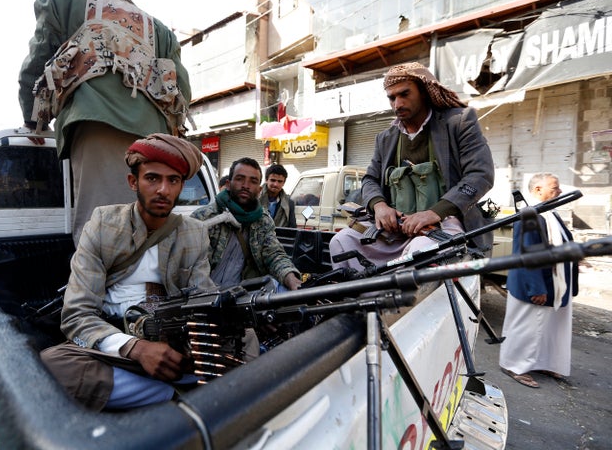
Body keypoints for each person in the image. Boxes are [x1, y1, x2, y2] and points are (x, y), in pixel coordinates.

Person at [40, 134, 224, 410]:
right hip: (114, 343)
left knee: (242, 337)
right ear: (133, 182)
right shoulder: (103, 223)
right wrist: (136, 349)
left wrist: (198, 337)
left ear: (181, 186)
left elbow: (203, 298)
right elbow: (77, 315)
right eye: (152, 178)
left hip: (172, 340)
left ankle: (165, 386)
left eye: (173, 180)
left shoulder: (194, 233)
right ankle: (169, 394)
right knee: (52, 368)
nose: (163, 189)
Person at [18, 0, 192, 245]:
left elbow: (39, 57)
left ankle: (96, 286)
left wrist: (33, 121)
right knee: (146, 231)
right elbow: (183, 90)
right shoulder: (160, 31)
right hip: (155, 139)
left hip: (96, 122)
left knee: (100, 231)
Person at [330, 62, 495, 270]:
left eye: (404, 94)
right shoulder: (386, 138)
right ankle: (361, 301)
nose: (397, 104)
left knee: (420, 252)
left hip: (443, 226)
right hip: (395, 231)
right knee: (341, 242)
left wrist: (434, 213)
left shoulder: (459, 122)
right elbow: (370, 179)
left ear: (424, 92)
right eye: (392, 97)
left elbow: (480, 175)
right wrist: (379, 206)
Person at [499, 173, 578, 388]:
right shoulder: (530, 215)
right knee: (526, 327)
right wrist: (536, 287)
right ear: (537, 190)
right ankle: (513, 365)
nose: (559, 192)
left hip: (555, 282)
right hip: (535, 282)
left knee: (550, 327)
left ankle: (543, 361)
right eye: (555, 188)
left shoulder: (549, 214)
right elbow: (527, 255)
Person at [191, 157, 302, 291]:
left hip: (242, 296)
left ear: (259, 189)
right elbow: (191, 267)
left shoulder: (263, 221)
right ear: (228, 184)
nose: (245, 185)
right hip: (202, 297)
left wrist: (290, 277)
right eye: (239, 179)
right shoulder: (204, 218)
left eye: (253, 181)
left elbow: (274, 254)